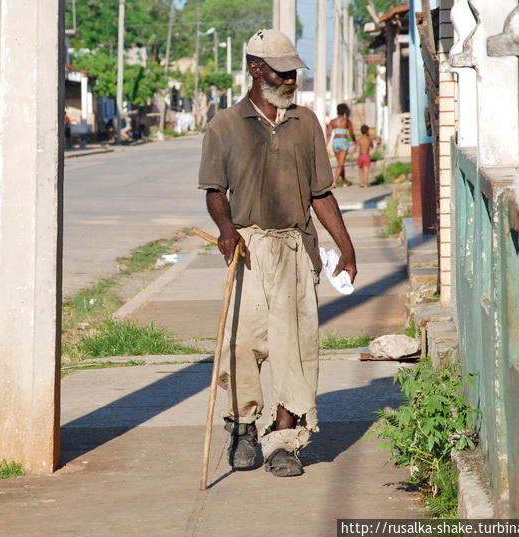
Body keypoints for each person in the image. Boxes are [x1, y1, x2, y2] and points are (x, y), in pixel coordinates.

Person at [198, 29, 357, 477]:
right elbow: (215, 191)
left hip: (295, 247)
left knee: (295, 347)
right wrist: (226, 229)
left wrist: (345, 248)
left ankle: (286, 439)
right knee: (243, 344)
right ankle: (245, 427)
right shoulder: (225, 126)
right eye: (281, 72)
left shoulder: (306, 124)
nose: (290, 80)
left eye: (294, 74)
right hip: (247, 248)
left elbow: (321, 194)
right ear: (255, 69)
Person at [326, 103, 356, 187]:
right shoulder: (347, 121)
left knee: (340, 163)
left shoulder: (332, 121)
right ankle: (334, 181)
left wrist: (325, 145)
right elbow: (351, 133)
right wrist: (355, 141)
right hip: (343, 141)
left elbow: (328, 134)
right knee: (341, 164)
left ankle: (344, 181)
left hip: (335, 142)